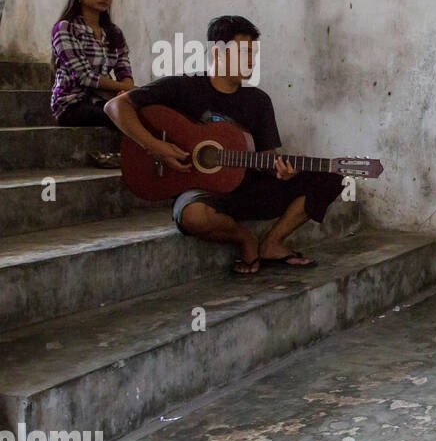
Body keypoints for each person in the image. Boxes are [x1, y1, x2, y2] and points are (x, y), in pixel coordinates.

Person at [105, 15, 344, 275]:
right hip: (205, 191)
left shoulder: (258, 101)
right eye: (244, 52)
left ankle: (272, 243)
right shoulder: (183, 87)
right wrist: (154, 146)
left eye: (254, 53)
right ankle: (245, 239)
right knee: (191, 216)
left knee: (329, 177)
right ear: (218, 52)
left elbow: (265, 158)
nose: (252, 60)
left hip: (248, 190)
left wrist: (280, 170)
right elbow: (115, 105)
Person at [50, 0, 135, 166]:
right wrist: (128, 90)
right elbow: (84, 77)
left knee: (150, 108)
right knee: (124, 114)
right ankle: (124, 159)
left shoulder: (113, 32)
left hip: (104, 98)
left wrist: (126, 87)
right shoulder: (65, 28)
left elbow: (123, 66)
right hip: (72, 104)